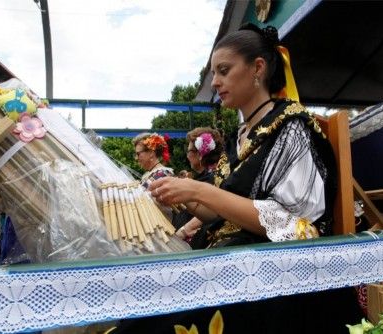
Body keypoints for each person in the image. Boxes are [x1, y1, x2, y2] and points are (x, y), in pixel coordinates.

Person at [112, 23, 362, 333]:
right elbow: (218, 213)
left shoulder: (291, 126)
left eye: (224, 71)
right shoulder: (239, 137)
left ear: (258, 68)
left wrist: (198, 191)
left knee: (156, 316)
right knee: (144, 298)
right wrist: (183, 197)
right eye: (214, 73)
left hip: (273, 270)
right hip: (234, 257)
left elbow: (295, 226)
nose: (215, 82)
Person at [172, 127, 224, 242]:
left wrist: (184, 231)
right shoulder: (208, 176)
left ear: (200, 154)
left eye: (189, 151)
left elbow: (211, 213)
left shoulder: (214, 179)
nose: (187, 156)